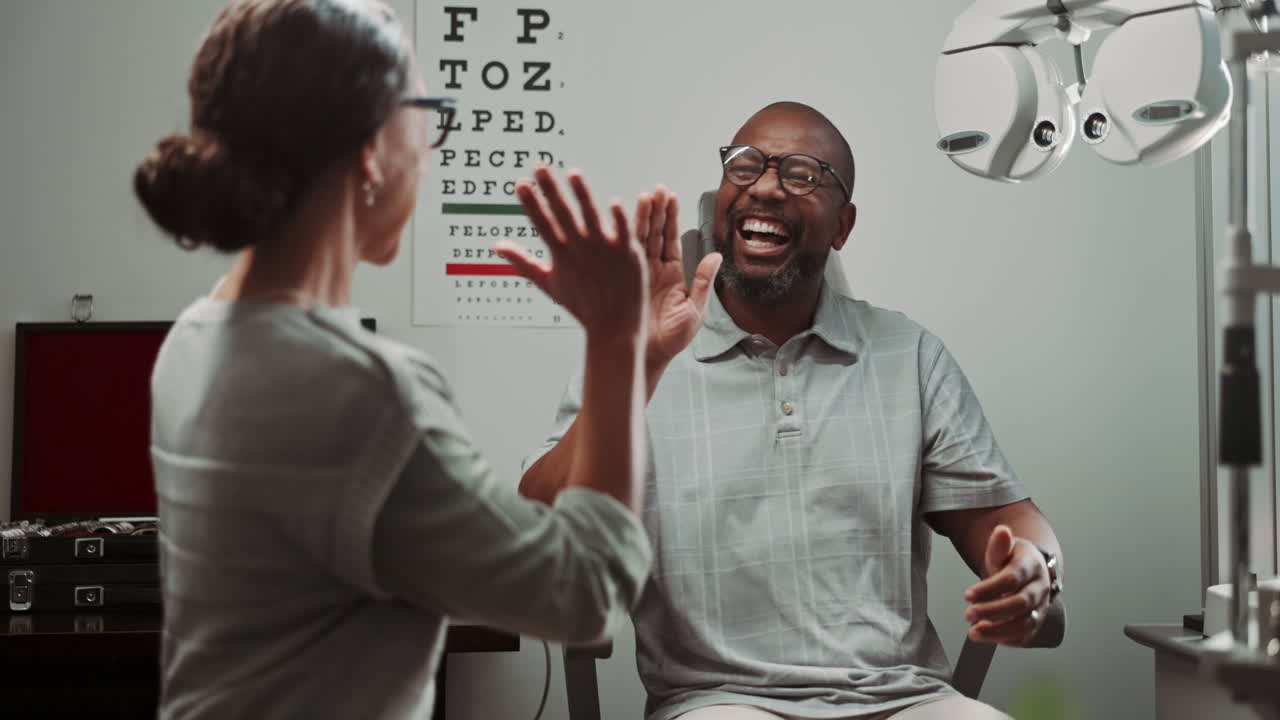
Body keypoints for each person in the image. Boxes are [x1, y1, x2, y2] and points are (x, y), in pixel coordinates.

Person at [132, 1, 654, 717]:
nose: (433, 148)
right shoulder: (365, 392)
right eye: (428, 110)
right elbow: (588, 596)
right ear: (371, 148)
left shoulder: (193, 338)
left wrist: (637, 356)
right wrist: (617, 336)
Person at [519, 102, 1066, 720]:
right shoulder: (643, 350)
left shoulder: (910, 355)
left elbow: (1007, 518)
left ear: (843, 225)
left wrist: (1033, 565)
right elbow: (539, 525)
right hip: (720, 701)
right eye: (745, 166)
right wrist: (631, 365)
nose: (768, 187)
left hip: (905, 698)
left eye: (804, 175)